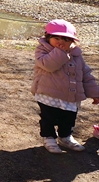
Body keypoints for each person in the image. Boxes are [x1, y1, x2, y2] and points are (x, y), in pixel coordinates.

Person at [31, 19, 99, 154]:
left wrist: (94, 93)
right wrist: (60, 53)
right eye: (56, 38)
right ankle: (49, 137)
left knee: (68, 118)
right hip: (48, 94)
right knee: (48, 117)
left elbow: (85, 74)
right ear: (48, 37)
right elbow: (48, 65)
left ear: (72, 41)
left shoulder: (76, 55)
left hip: (70, 95)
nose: (61, 42)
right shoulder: (42, 50)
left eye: (66, 39)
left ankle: (65, 137)